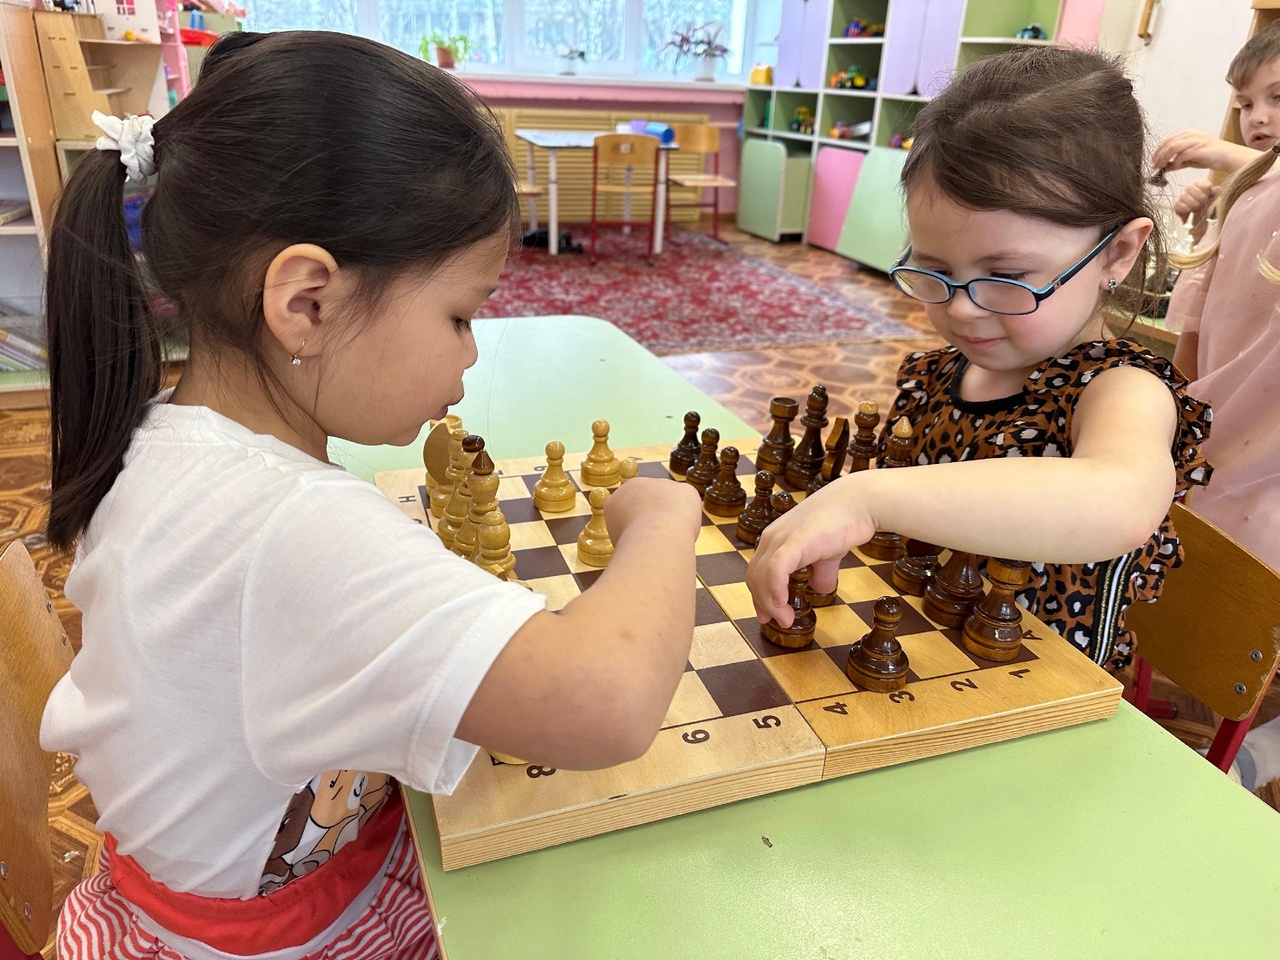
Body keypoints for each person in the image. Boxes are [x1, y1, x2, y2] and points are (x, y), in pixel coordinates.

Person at [40, 31, 702, 960]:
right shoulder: (291, 525)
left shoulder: (164, 435)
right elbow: (610, 702)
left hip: (184, 898)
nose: (471, 353)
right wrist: (664, 518)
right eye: (460, 315)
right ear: (306, 302)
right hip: (283, 941)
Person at [746, 46, 1212, 675]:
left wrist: (867, 497)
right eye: (934, 271)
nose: (963, 309)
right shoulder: (941, 373)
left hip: (1035, 690)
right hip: (920, 657)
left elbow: (1120, 501)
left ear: (1118, 254)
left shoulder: (1121, 390)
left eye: (1008, 276)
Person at [1151, 22, 1280, 240]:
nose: (1256, 118)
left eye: (1278, 97)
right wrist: (1203, 229)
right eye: (1246, 104)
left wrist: (1227, 154)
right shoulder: (1245, 190)